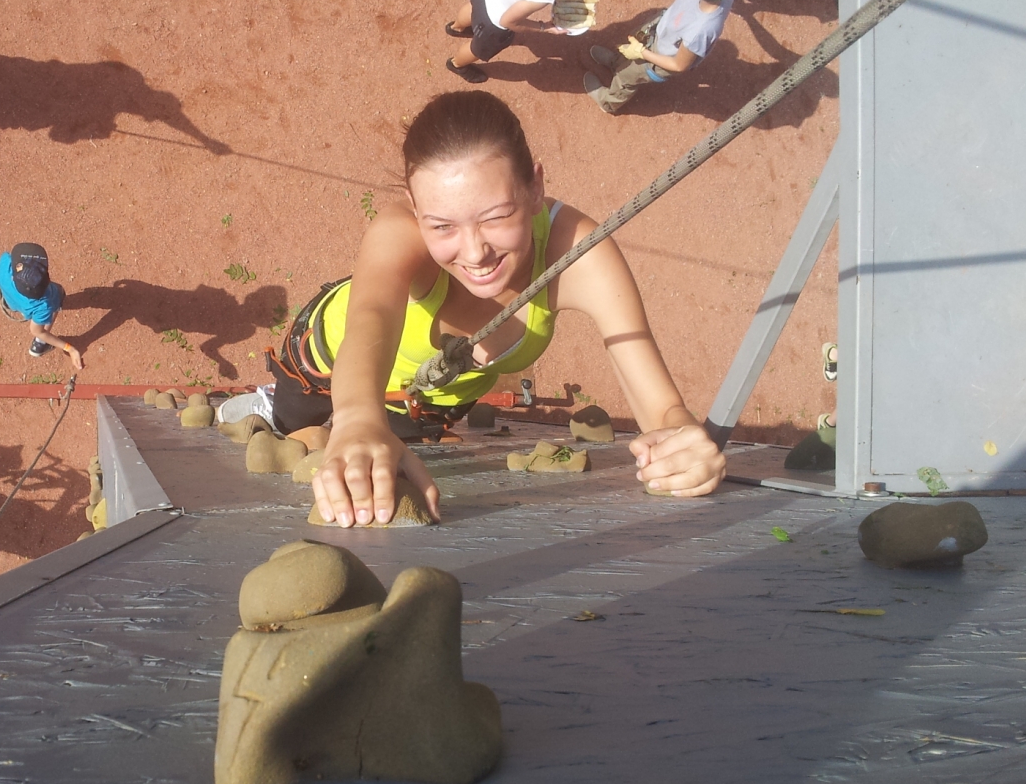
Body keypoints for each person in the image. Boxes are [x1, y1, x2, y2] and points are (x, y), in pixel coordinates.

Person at [264, 91, 725, 527]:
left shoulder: (577, 254)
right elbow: (371, 319)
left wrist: (682, 445)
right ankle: (265, 407)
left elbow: (663, 410)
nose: (475, 253)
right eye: (442, 226)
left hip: (428, 405)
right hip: (320, 365)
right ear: (415, 209)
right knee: (288, 427)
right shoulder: (398, 232)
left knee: (379, 466)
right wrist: (356, 419)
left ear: (535, 187)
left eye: (497, 217)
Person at [584, 0, 734, 114]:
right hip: (662, 30)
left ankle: (608, 103)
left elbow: (679, 65)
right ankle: (616, 63)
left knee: (627, 77)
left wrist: (642, 52)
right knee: (630, 49)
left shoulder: (700, 31)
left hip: (660, 57)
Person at [445, 0, 568, 84]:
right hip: (492, 24)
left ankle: (456, 28)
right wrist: (544, 27)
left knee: (473, 9)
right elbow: (508, 22)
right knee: (477, 49)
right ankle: (456, 64)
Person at [0, 242, 86, 368]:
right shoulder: (44, 305)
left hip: (13, 303)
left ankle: (38, 342)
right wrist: (69, 349)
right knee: (57, 297)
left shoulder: (6, 264)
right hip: (41, 305)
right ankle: (39, 344)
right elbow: (37, 331)